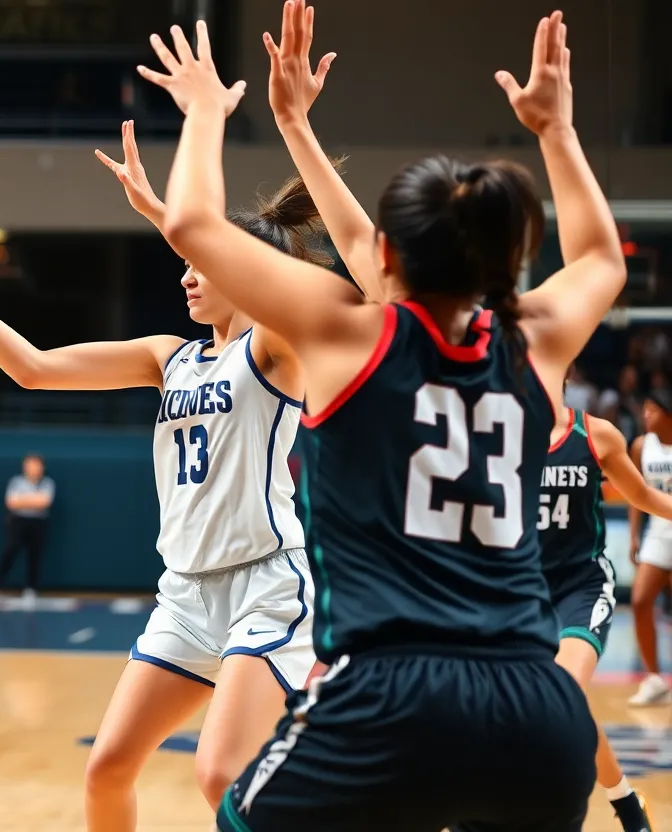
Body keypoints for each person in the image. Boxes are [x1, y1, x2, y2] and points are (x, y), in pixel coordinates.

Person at [136, 5, 625, 829]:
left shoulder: (343, 336)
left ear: (390, 260)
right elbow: (601, 259)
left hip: (389, 693)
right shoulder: (534, 341)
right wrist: (556, 131)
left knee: (239, 816)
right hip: (537, 708)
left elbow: (189, 223)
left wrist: (210, 115)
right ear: (505, 264)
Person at [0, 120, 321, 828]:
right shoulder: (167, 356)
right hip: (185, 593)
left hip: (267, 586)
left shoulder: (278, 353)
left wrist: (168, 216)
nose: (185, 276)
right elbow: (33, 368)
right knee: (107, 769)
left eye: (200, 264)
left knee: (220, 777)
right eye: (182, 263)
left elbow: (279, 290)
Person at [541, 404, 661, 831]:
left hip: (581, 584)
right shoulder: (496, 434)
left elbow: (643, 496)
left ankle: (622, 807)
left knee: (564, 692)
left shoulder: (596, 434)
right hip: (519, 590)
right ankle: (626, 800)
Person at [626, 387, 672, 707]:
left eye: (652, 410)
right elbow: (634, 492)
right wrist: (633, 535)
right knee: (640, 600)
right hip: (657, 531)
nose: (645, 416)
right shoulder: (642, 446)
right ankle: (654, 679)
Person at [0, 452, 55, 606]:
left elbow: (44, 502)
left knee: (35, 555)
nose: (33, 468)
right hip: (18, 521)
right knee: (10, 550)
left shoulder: (47, 483)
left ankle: (30, 590)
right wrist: (33, 499)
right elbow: (12, 502)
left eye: (36, 465)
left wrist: (24, 500)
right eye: (29, 465)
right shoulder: (16, 482)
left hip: (38, 522)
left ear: (42, 467)